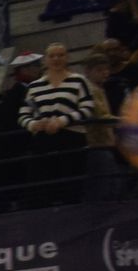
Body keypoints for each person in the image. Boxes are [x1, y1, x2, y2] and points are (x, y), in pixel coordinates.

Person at [20, 43, 98, 206]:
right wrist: (34, 124)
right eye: (52, 56)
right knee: (43, 188)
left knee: (72, 186)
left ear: (67, 58)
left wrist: (63, 121)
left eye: (60, 55)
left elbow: (88, 108)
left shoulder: (78, 80)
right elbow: (23, 114)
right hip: (43, 141)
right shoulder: (34, 86)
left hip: (72, 138)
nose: (56, 59)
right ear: (46, 60)